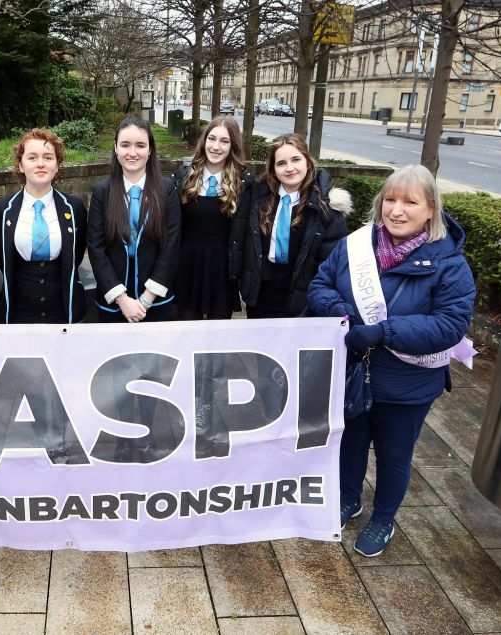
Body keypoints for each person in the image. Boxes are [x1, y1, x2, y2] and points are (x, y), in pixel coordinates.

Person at [307, 164, 475, 557]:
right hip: (353, 371)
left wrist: (383, 331)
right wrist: (339, 308)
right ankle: (349, 499)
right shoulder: (357, 245)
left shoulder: (450, 264)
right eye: (391, 200)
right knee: (349, 441)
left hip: (407, 382)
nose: (397, 211)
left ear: (430, 209)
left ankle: (383, 518)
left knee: (394, 454)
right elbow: (320, 283)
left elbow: (449, 325)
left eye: (410, 202)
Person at [232, 133, 351, 318]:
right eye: (281, 163)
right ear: (273, 168)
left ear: (308, 162)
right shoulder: (257, 198)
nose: (289, 168)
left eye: (296, 159)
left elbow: (330, 262)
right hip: (262, 294)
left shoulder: (326, 208)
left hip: (302, 297)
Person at [87, 116, 181, 322]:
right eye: (125, 145)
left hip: (156, 303)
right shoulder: (101, 192)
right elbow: (96, 248)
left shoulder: (167, 190)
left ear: (150, 150)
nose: (132, 153)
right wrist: (121, 299)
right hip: (112, 304)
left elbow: (171, 247)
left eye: (140, 145)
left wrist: (146, 300)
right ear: (115, 148)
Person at [0, 129, 87, 324]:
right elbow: (2, 257)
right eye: (32, 157)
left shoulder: (74, 207)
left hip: (64, 311)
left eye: (48, 157)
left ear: (57, 165)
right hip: (18, 312)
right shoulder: (1, 210)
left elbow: (76, 254)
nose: (40, 163)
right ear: (20, 165)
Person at [173, 116, 254, 320]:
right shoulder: (184, 177)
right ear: (204, 141)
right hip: (187, 267)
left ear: (233, 145)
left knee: (216, 339)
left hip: (222, 272)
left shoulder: (244, 183)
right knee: (187, 332)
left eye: (224, 141)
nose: (216, 146)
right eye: (212, 139)